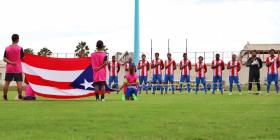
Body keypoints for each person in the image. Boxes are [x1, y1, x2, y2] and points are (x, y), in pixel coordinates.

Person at [3, 34, 24, 101]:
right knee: (19, 82)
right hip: (18, 68)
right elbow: (22, 58)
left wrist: (11, 63)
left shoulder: (7, 48)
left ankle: (5, 97)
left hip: (9, 68)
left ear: (12, 39)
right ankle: (20, 96)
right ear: (18, 39)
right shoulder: (20, 48)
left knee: (7, 83)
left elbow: (4, 59)